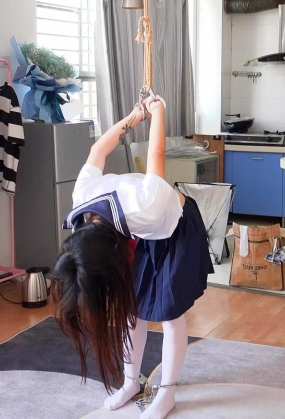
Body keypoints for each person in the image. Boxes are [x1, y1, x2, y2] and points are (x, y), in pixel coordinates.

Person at [51, 95, 213, 419]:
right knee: (131, 311)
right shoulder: (83, 202)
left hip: (174, 228)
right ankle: (130, 382)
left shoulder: (145, 206)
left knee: (169, 314)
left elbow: (155, 155)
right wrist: (134, 116)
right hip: (136, 231)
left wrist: (156, 111)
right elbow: (98, 151)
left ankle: (166, 393)